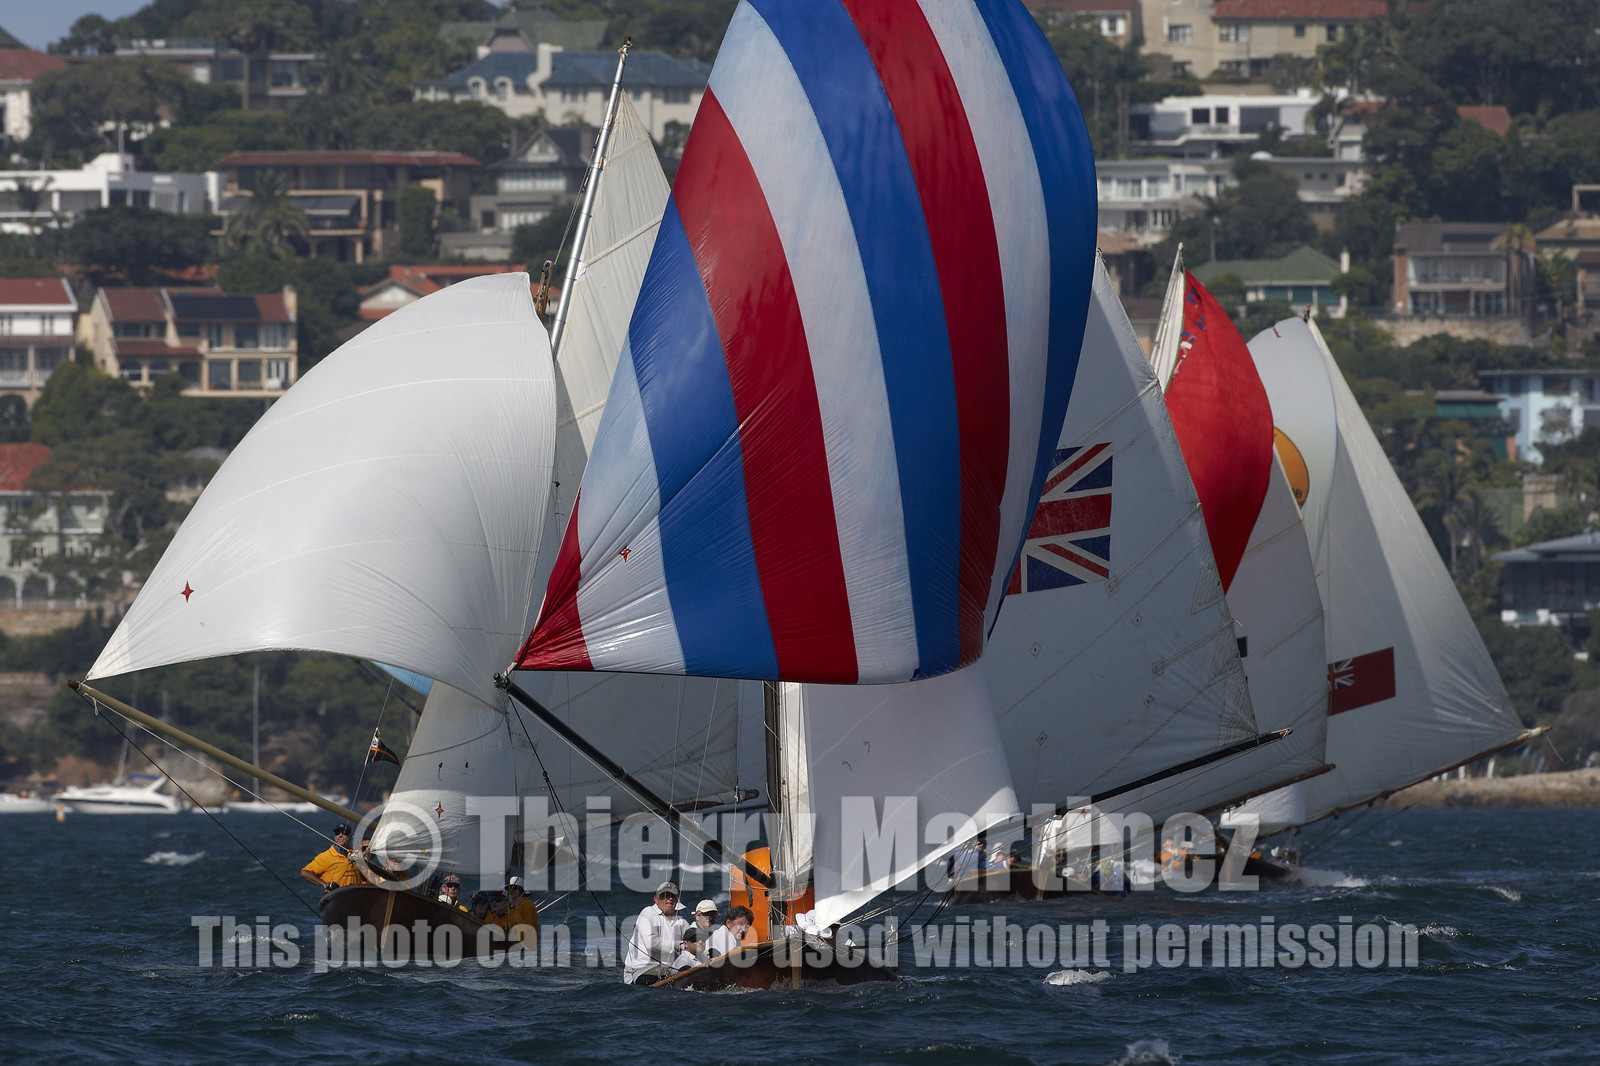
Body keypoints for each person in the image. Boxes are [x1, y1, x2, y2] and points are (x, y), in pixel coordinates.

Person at [623, 880, 687, 986]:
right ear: (656, 899)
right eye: (665, 895)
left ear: (676, 900)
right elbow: (651, 943)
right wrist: (682, 946)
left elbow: (692, 939)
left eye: (673, 896)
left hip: (669, 971)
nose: (670, 898)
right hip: (644, 972)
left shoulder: (680, 921)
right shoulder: (648, 913)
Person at [300, 823, 362, 891]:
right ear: (335, 836)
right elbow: (305, 872)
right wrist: (324, 884)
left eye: (345, 833)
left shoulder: (358, 854)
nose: (340, 835)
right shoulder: (326, 856)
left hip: (357, 896)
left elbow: (368, 875)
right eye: (337, 833)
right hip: (337, 897)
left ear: (350, 837)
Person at [505, 875, 539, 947]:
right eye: (509, 888)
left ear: (521, 890)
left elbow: (529, 927)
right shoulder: (515, 905)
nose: (511, 890)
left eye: (515, 888)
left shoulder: (526, 904)